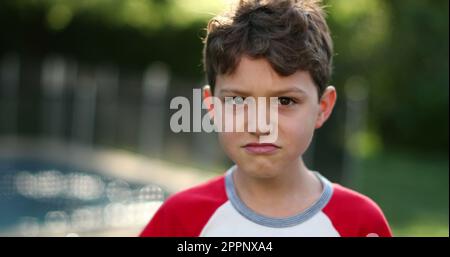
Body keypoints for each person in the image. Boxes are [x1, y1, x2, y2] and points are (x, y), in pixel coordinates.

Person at [140, 0, 392, 237]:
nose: (260, 125)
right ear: (212, 107)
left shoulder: (360, 223)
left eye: (285, 101)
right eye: (238, 101)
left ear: (322, 108)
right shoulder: (179, 220)